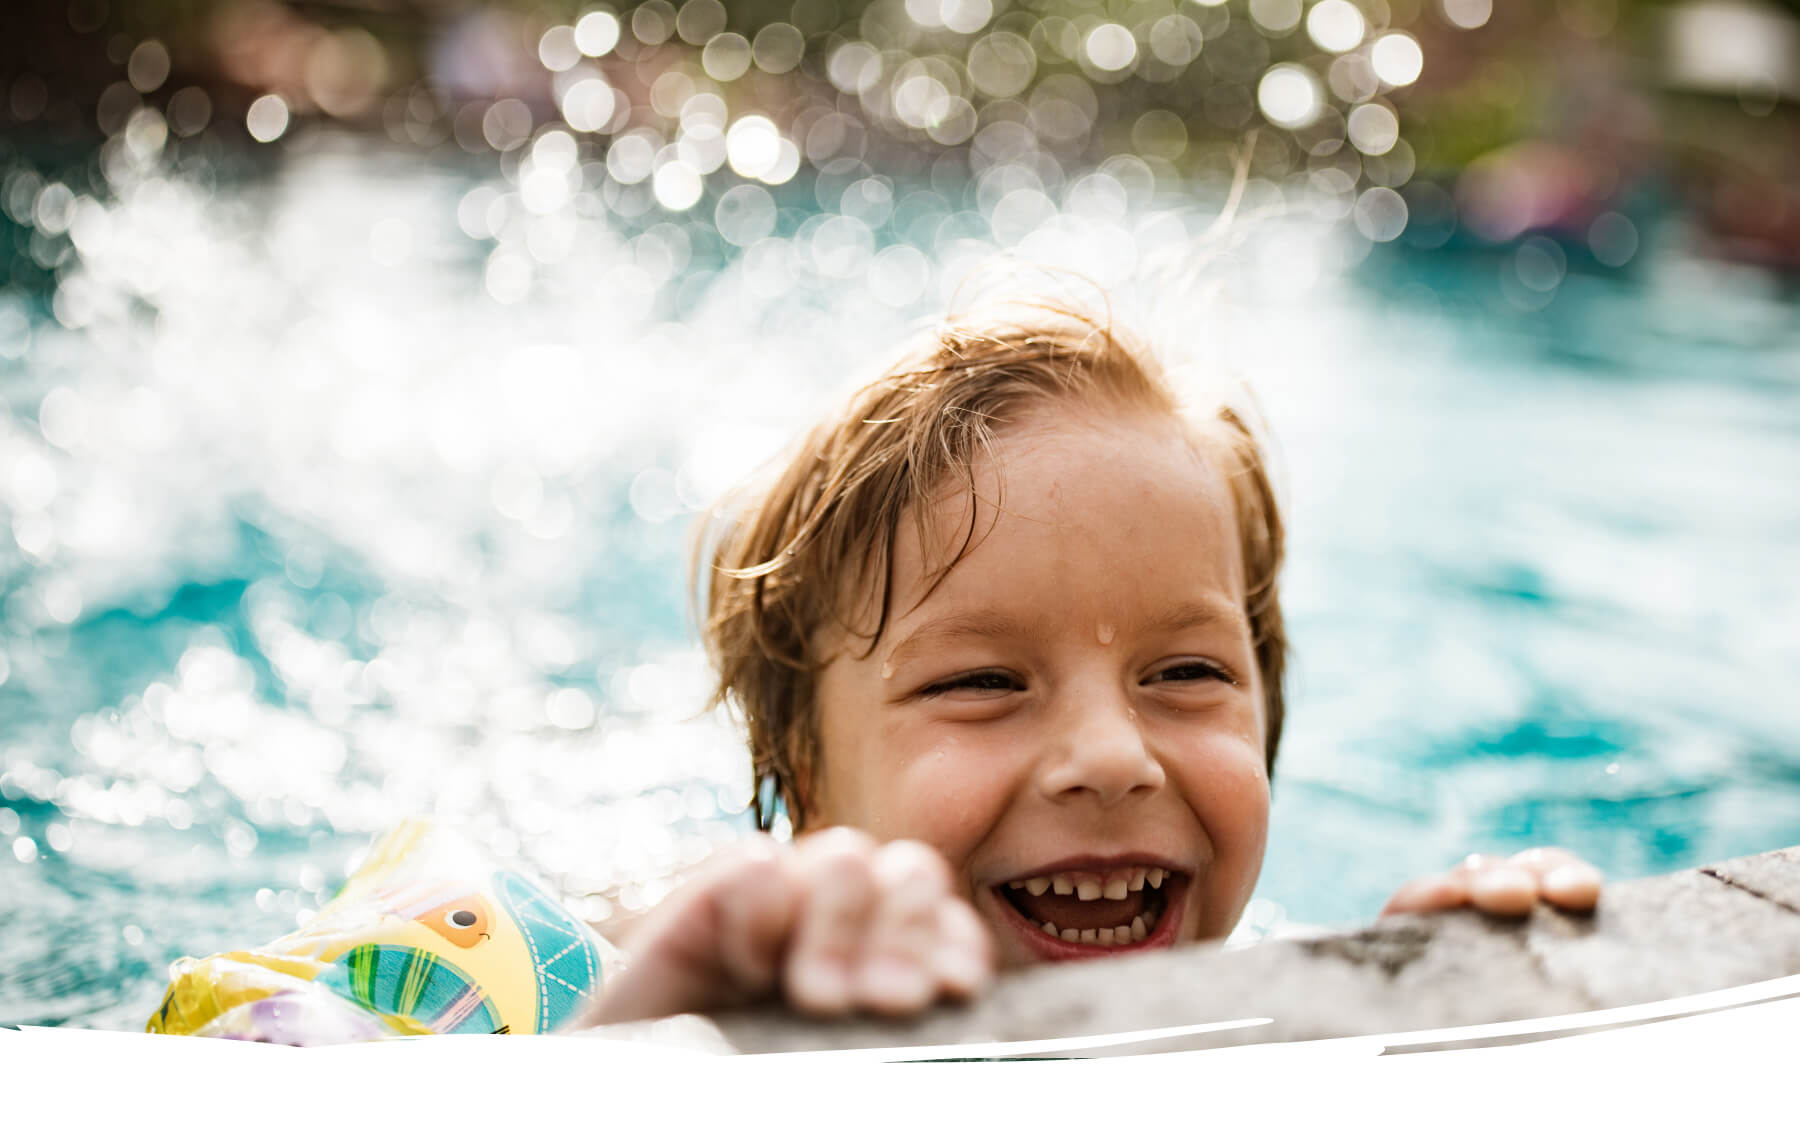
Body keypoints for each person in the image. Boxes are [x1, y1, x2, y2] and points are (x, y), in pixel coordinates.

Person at [581, 297, 1605, 1027]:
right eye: (981, 681)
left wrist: (1427, 1022)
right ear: (806, 780)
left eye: (1188, 673)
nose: (1113, 757)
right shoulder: (666, 989)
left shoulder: (1266, 1011)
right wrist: (652, 1049)